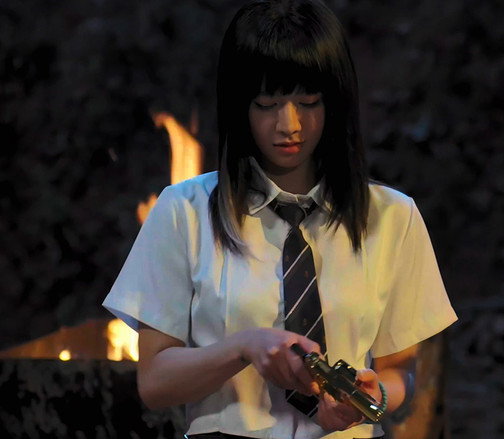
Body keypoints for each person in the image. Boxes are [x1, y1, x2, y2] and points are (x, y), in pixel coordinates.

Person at [102, 1, 457, 438]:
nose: (289, 125)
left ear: (336, 102)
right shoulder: (184, 211)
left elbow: (401, 370)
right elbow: (155, 382)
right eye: (267, 104)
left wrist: (375, 395)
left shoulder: (391, 216)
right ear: (239, 106)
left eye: (308, 102)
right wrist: (243, 348)